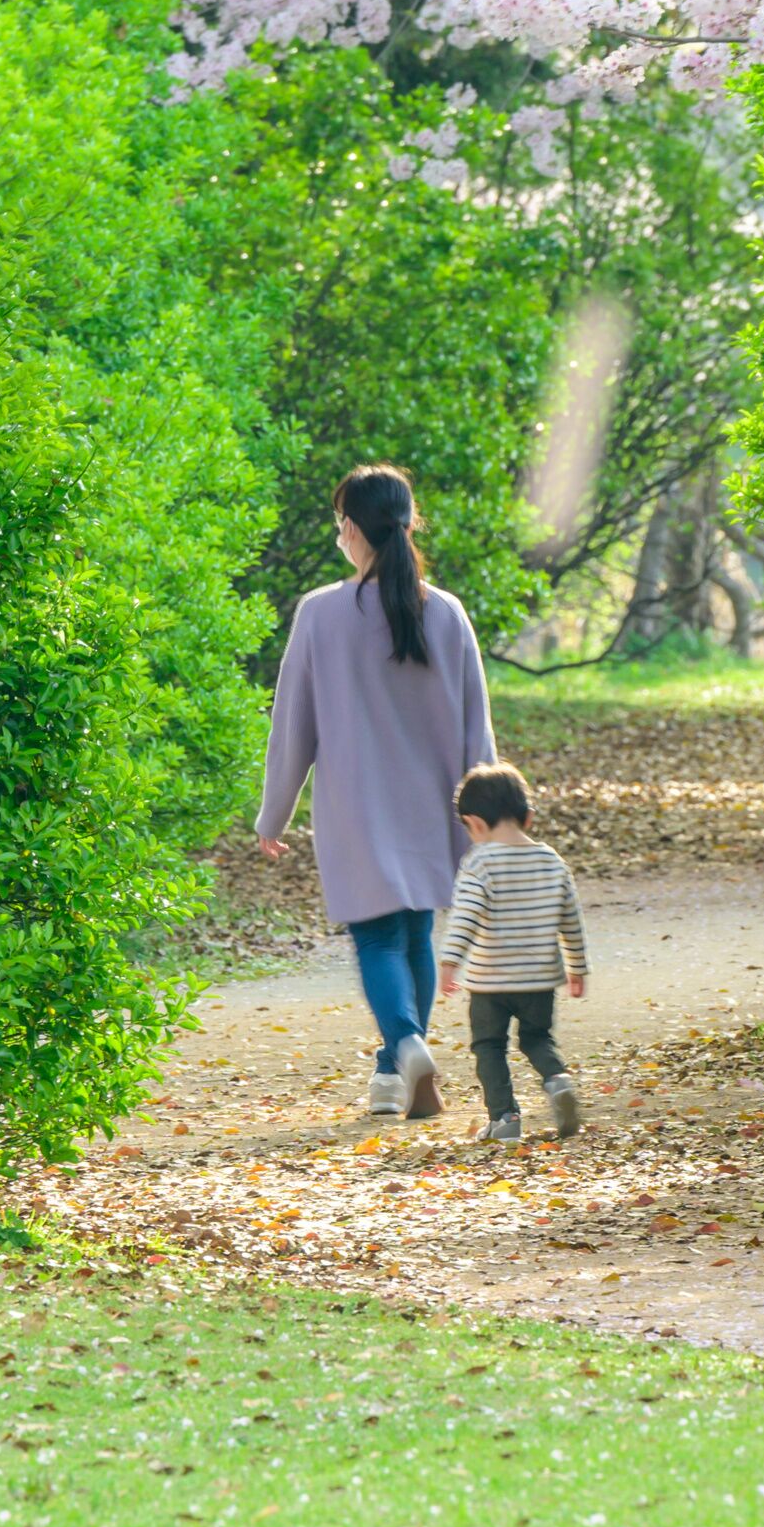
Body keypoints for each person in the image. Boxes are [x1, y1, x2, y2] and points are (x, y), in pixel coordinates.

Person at [258, 464, 497, 1118]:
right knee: (415, 933)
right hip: (435, 805)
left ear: (356, 530)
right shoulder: (446, 612)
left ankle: (406, 1045)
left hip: (355, 808)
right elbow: (476, 725)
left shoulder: (320, 613)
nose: (339, 534)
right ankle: (394, 1073)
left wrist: (273, 815)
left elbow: (293, 727)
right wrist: (489, 818)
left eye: (340, 523)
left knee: (376, 939)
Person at [435, 762, 588, 1143]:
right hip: (539, 979)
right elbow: (571, 919)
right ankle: (558, 1079)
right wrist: (578, 968)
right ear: (528, 817)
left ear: (474, 823)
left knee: (489, 1046)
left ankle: (504, 1118)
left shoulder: (479, 862)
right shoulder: (552, 861)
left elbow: (466, 917)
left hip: (491, 982)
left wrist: (450, 962)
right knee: (537, 1039)